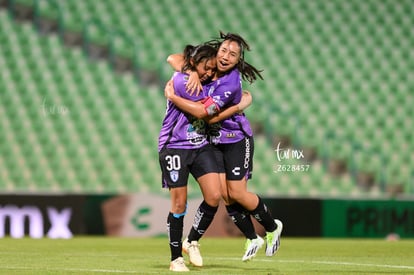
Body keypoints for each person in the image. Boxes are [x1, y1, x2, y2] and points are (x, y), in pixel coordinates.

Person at [166, 31, 283, 263]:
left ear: (238, 60)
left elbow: (209, 117)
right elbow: (173, 58)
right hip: (213, 141)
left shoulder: (229, 82)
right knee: (225, 196)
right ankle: (251, 238)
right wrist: (190, 72)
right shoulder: (207, 67)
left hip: (236, 139)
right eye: (224, 51)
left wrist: (239, 107)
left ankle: (272, 227)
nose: (226, 56)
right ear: (216, 51)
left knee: (237, 193)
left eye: (233, 54)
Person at [159, 43, 252, 272]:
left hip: (200, 145)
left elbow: (176, 59)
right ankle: (175, 259)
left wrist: (193, 70)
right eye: (206, 68)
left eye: (212, 70)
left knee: (214, 196)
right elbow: (204, 112)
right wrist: (240, 104)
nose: (210, 73)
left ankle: (191, 242)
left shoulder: (204, 80)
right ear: (195, 63)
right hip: (175, 146)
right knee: (179, 203)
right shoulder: (183, 82)